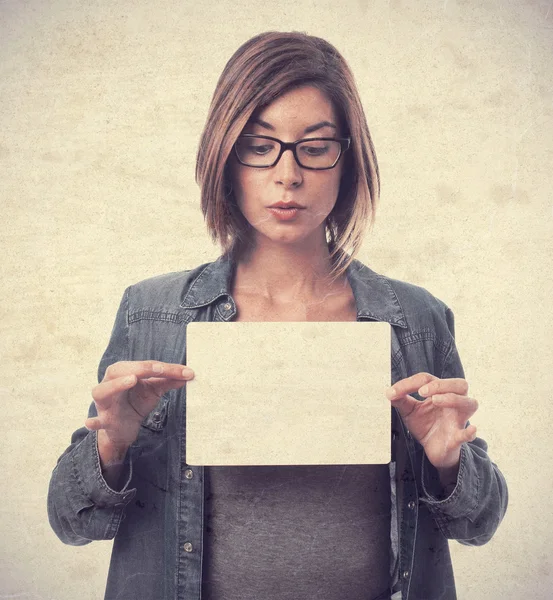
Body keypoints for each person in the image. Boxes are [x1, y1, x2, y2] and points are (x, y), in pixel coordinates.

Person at [47, 31, 508, 600]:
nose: (287, 175)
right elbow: (72, 521)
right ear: (224, 155)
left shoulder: (415, 319)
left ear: (348, 160)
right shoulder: (154, 313)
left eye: (314, 147)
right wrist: (110, 445)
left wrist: (449, 462)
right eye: (259, 145)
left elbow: (478, 523)